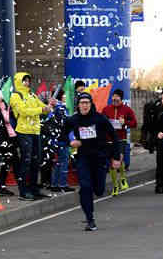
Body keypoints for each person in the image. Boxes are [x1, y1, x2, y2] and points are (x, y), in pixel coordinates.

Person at [62, 92, 119, 231]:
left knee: (99, 190)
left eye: (87, 103)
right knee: (85, 187)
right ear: (78, 105)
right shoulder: (73, 120)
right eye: (82, 103)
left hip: (99, 157)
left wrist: (116, 157)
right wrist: (71, 141)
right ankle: (90, 219)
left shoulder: (100, 119)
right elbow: (62, 135)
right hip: (83, 158)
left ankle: (96, 190)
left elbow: (114, 136)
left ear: (91, 104)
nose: (85, 105)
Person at [10, 72, 57, 201]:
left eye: (28, 80)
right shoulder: (15, 96)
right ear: (19, 81)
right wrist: (42, 110)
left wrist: (49, 105)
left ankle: (34, 189)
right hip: (23, 131)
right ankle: (23, 191)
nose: (27, 83)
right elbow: (23, 111)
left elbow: (42, 106)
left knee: (36, 161)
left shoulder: (32, 95)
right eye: (24, 80)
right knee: (26, 161)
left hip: (35, 131)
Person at [102, 88, 138, 196]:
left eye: (117, 99)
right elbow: (101, 122)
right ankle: (115, 185)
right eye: (113, 98)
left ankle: (122, 177)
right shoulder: (106, 109)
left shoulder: (127, 110)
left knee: (118, 160)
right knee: (113, 164)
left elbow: (134, 123)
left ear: (121, 99)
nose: (114, 100)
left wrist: (125, 123)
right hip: (109, 140)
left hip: (120, 139)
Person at [48, 90, 74, 193]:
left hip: (55, 140)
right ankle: (62, 184)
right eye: (64, 96)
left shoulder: (53, 109)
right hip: (62, 140)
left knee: (57, 163)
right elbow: (66, 123)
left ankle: (55, 184)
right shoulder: (61, 109)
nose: (65, 98)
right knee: (63, 162)